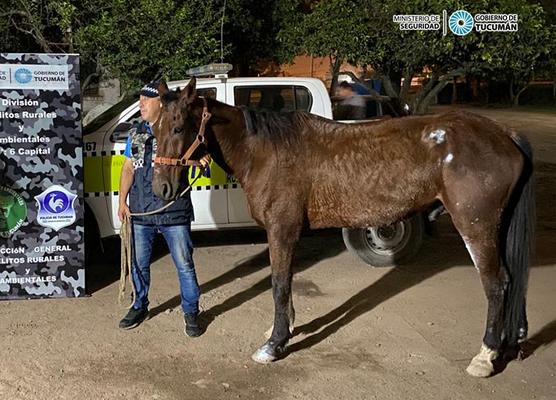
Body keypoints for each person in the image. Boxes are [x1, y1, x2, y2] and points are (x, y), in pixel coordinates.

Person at [117, 80, 208, 337]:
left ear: (161, 103)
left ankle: (191, 312)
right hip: (142, 211)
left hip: (174, 211)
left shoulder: (179, 130)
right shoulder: (137, 133)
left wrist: (201, 160)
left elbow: (203, 158)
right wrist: (122, 201)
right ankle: (139, 305)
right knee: (138, 264)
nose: (140, 105)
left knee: (184, 265)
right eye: (140, 100)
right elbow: (127, 168)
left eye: (146, 100)